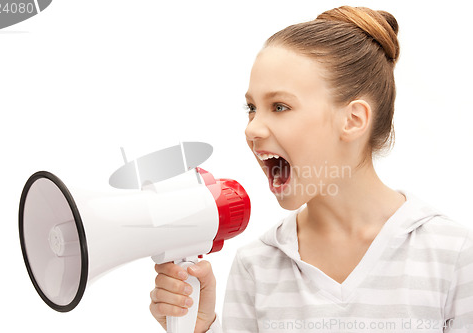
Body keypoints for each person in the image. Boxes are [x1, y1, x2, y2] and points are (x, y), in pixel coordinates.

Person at [149, 5, 473, 332]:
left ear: (353, 119)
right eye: (251, 108)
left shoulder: (451, 253)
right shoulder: (258, 265)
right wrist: (200, 327)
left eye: (280, 106)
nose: (252, 129)